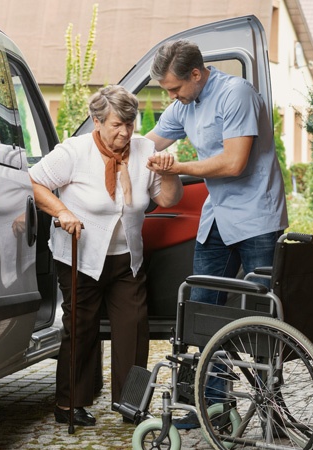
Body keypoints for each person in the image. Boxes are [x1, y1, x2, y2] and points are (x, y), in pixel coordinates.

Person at [145, 39, 288, 429]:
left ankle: (271, 411)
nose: (171, 97)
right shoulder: (184, 104)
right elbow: (149, 143)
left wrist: (176, 167)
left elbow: (234, 163)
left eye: (174, 88)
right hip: (217, 221)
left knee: (262, 322)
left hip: (258, 218)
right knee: (202, 312)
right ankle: (213, 409)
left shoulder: (235, 94)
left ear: (196, 74)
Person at [29, 85, 183, 426]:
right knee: (80, 328)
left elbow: (168, 199)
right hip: (80, 255)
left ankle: (131, 405)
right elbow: (35, 182)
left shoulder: (145, 151)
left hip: (127, 259)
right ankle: (70, 403)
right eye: (117, 124)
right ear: (97, 121)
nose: (126, 132)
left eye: (130, 123)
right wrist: (61, 211)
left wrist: (170, 172)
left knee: (133, 329)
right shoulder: (74, 151)